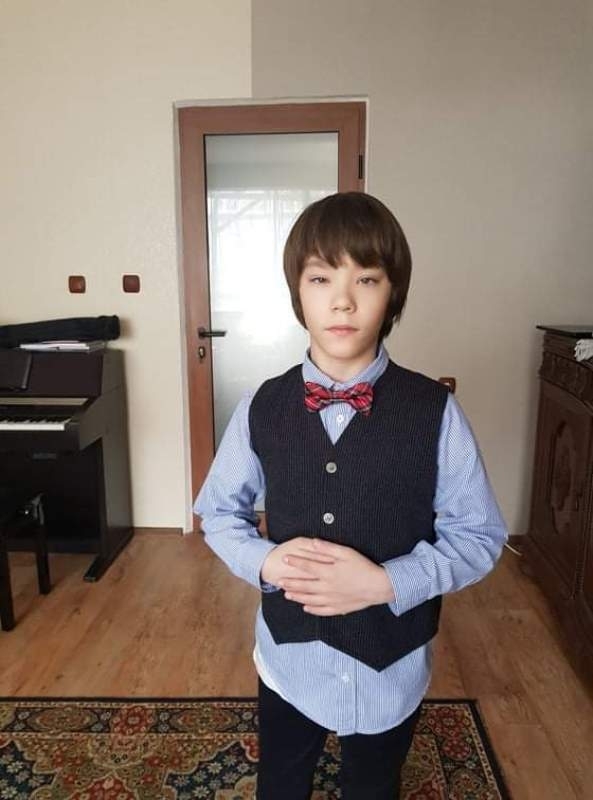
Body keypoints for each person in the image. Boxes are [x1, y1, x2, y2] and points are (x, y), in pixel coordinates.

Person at [194, 191, 508, 800]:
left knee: (373, 786)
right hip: (289, 662)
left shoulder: (435, 412)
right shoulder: (261, 405)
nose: (342, 300)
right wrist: (265, 562)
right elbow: (218, 512)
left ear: (393, 293)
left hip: (392, 666)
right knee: (281, 783)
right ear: (297, 292)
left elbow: (479, 536)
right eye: (320, 278)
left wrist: (389, 582)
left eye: (366, 278)